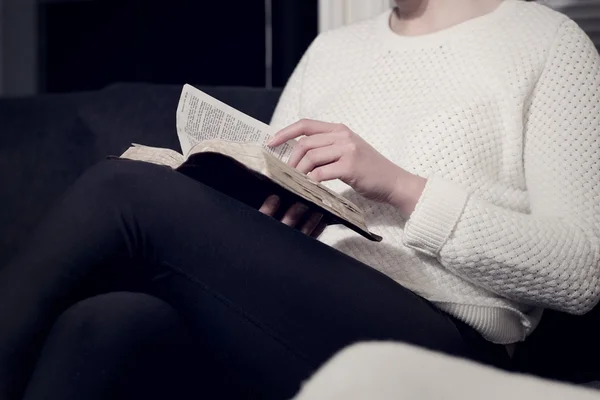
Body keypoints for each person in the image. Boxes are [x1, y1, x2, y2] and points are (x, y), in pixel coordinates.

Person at [1, 0, 599, 398]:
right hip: (304, 311)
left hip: (451, 339)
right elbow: (276, 180)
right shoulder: (331, 50)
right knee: (107, 325)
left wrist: (400, 187)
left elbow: (582, 268)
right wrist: (277, 214)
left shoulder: (545, 42)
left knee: (121, 190)